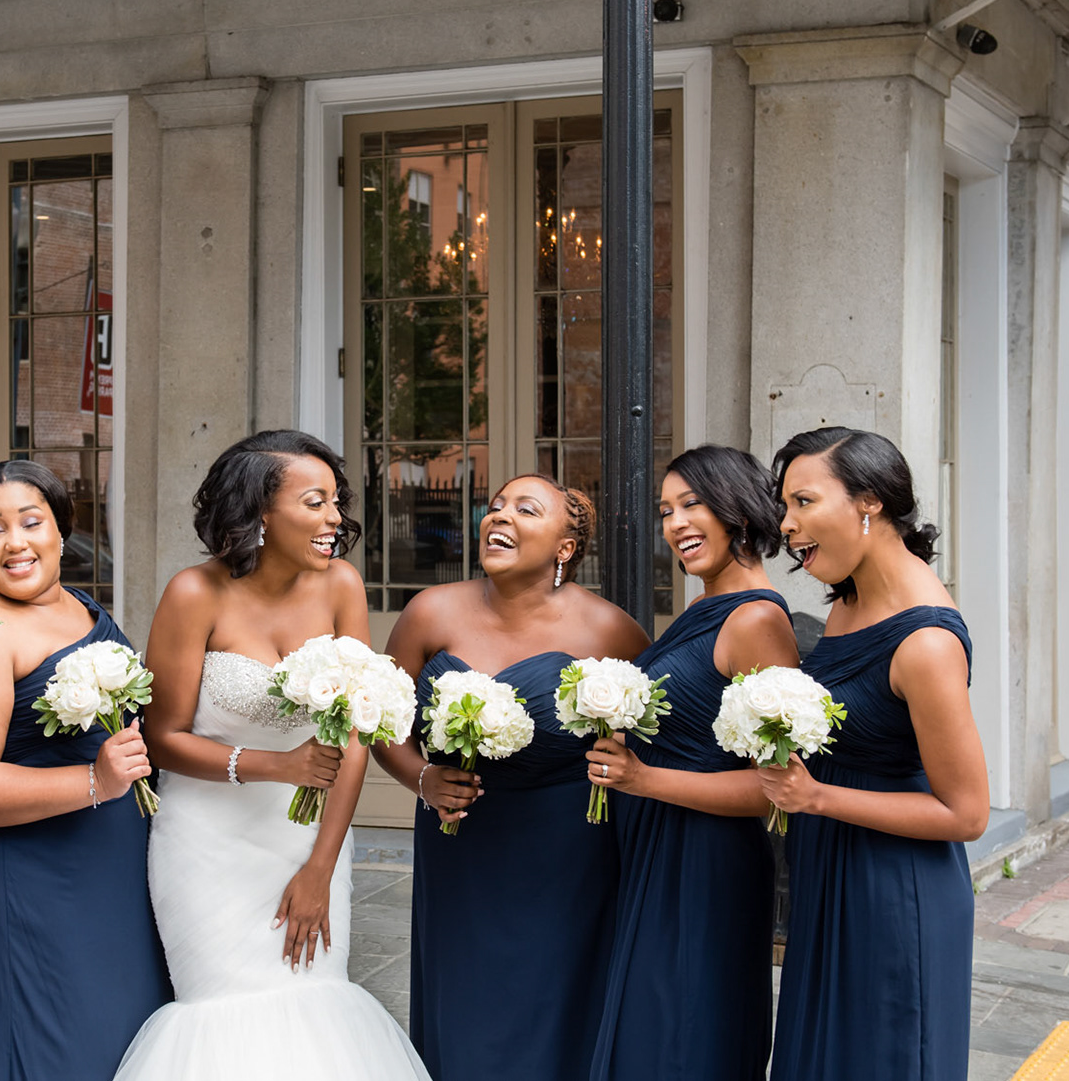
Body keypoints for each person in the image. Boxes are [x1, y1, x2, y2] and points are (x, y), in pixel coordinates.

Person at [112, 430, 427, 1081]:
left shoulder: (340, 584)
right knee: (224, 1011)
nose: (334, 519)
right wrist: (271, 765)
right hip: (207, 844)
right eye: (315, 502)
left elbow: (356, 733)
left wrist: (321, 865)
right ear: (260, 509)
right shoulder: (193, 594)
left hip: (307, 838)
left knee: (314, 997)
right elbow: (162, 735)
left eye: (336, 502)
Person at [374, 474, 647, 1081]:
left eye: (526, 509)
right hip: (461, 843)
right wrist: (423, 780)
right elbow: (382, 724)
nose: (500, 517)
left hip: (569, 850)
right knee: (465, 999)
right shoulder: (429, 612)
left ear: (565, 548)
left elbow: (648, 732)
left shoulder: (610, 631)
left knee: (558, 998)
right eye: (495, 506)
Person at [0, 459, 170, 1079]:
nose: (15, 543)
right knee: (49, 1046)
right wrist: (95, 781)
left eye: (31, 522)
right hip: (26, 878)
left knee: (119, 1035)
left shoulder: (83, 607)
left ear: (61, 530)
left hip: (107, 867)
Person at [764, 427, 989, 1081]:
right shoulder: (849, 598)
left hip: (895, 891)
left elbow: (967, 812)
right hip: (829, 868)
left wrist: (817, 796)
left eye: (804, 501)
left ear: (869, 502)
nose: (788, 524)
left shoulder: (925, 641)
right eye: (785, 506)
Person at [584, 445, 800, 1081]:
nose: (674, 523)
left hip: (706, 861)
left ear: (737, 508)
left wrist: (642, 779)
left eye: (691, 503)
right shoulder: (707, 608)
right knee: (652, 1029)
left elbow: (774, 788)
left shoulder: (755, 619)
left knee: (684, 1033)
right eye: (666, 510)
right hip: (656, 844)